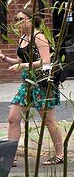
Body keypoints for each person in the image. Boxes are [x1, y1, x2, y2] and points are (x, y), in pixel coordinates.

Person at [4, 9, 65, 165]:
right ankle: (10, 156)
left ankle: (60, 155)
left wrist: (23, 66)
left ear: (30, 20)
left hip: (41, 83)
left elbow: (45, 61)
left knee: (49, 120)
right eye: (16, 19)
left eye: (20, 19)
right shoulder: (23, 38)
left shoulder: (39, 37)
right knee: (13, 118)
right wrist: (5, 58)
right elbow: (19, 60)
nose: (17, 23)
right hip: (27, 84)